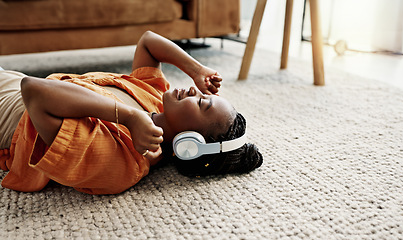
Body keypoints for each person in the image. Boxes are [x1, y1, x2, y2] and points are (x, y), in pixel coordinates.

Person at [0, 31, 262, 195]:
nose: (195, 90)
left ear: (190, 144)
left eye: (203, 104)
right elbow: (148, 42)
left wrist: (127, 117)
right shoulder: (153, 99)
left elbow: (35, 90)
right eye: (204, 94)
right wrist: (196, 69)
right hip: (10, 81)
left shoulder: (122, 163)